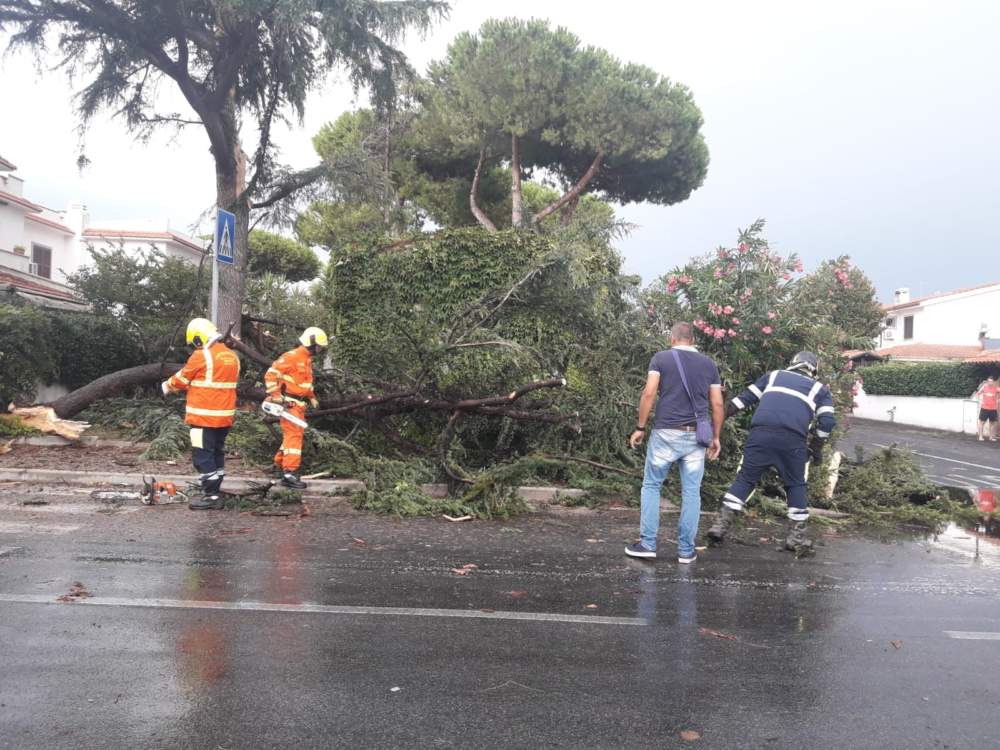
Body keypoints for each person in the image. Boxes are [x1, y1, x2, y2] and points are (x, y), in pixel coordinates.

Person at [706, 351, 835, 552]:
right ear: (814, 370)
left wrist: (715, 426)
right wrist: (816, 447)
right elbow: (827, 422)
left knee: (745, 479)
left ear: (793, 363)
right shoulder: (820, 389)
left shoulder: (773, 376)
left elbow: (739, 403)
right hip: (792, 441)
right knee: (796, 485)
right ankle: (796, 538)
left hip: (760, 435)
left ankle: (719, 526)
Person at [625, 322, 724, 563]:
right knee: (691, 492)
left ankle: (648, 544)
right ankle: (686, 551)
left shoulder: (661, 359)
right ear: (692, 340)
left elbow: (649, 393)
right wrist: (716, 437)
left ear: (672, 339)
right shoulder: (709, 364)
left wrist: (640, 427)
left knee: (651, 486)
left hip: (666, 434)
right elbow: (718, 404)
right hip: (696, 437)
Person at [162, 318, 241, 510]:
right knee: (217, 453)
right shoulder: (232, 356)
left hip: (203, 418)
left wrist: (165, 387)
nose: (193, 347)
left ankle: (211, 496)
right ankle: (216, 489)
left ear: (199, 338)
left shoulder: (201, 356)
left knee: (203, 456)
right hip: (224, 417)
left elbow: (181, 379)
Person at [264, 327, 329, 489]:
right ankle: (289, 473)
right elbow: (270, 375)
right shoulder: (291, 356)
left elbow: (304, 384)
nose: (320, 349)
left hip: (299, 405)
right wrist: (276, 396)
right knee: (294, 437)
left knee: (293, 436)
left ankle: (278, 464)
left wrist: (312, 397)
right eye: (319, 346)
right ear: (312, 343)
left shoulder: (306, 359)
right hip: (288, 405)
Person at [972, 376, 999, 441]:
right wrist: (980, 400)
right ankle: (980, 436)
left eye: (991, 381)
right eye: (989, 381)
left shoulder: (996, 388)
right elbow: (977, 394)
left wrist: (998, 400)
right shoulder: (984, 387)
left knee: (992, 423)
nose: (990, 383)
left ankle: (991, 437)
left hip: (993, 409)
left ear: (993, 382)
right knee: (982, 422)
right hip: (984, 408)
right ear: (987, 382)